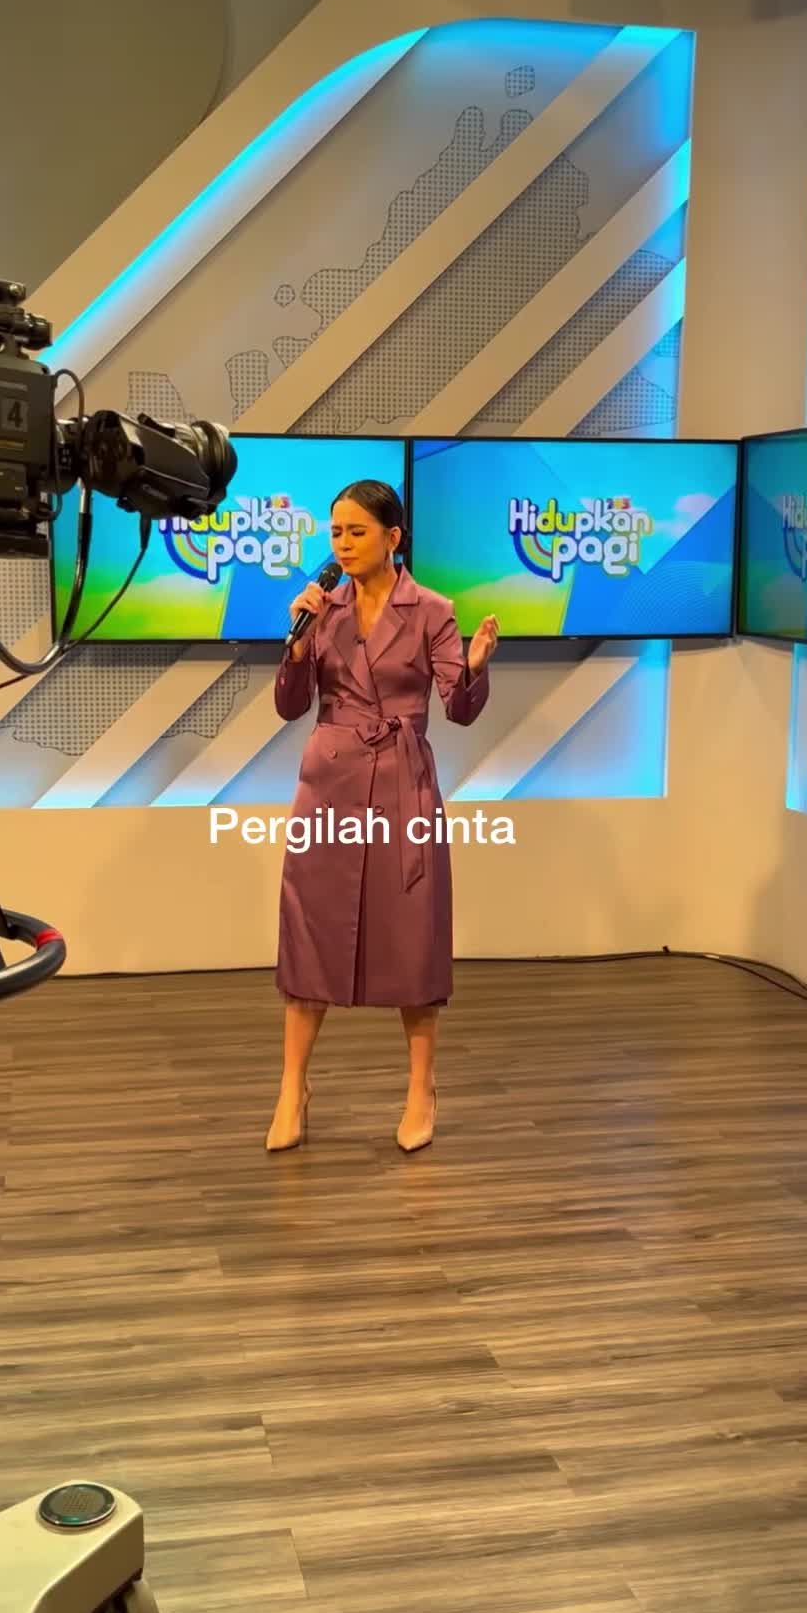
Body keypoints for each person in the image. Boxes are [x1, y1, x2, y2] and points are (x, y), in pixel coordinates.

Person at [266, 478, 498, 1155]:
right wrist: (297, 644)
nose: (342, 544)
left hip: (402, 783)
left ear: (393, 538)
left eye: (356, 532)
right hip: (329, 784)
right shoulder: (322, 610)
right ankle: (292, 1088)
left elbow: (458, 708)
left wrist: (475, 668)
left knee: (411, 934)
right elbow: (289, 706)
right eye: (336, 532)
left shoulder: (432, 610)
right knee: (310, 928)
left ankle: (422, 1088)